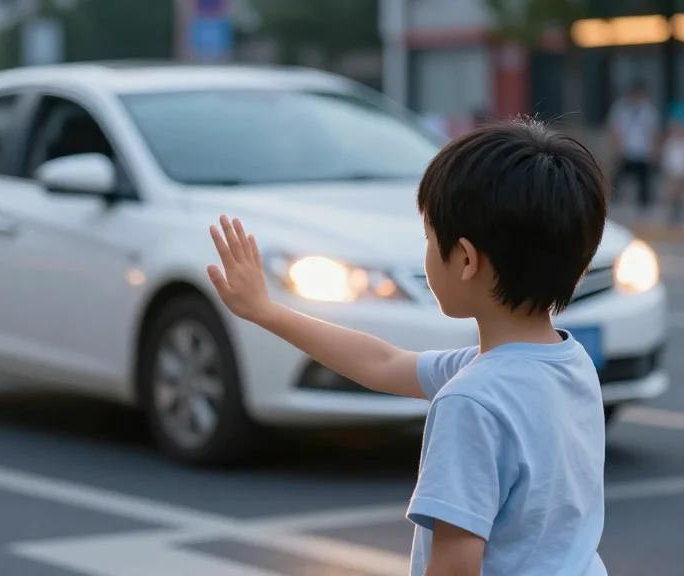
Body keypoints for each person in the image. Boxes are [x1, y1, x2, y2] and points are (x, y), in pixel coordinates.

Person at [206, 120, 608, 575]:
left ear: (465, 260)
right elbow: (383, 363)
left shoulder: (471, 401)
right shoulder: (569, 362)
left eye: (429, 239)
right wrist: (266, 311)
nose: (426, 251)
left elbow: (455, 565)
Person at [608, 79, 660, 210]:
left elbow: (654, 132)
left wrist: (654, 151)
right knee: (618, 178)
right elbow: (615, 130)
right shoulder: (620, 108)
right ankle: (613, 202)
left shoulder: (649, 110)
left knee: (644, 181)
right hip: (625, 150)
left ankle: (645, 207)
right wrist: (616, 148)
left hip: (643, 151)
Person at [662, 102, 684, 224]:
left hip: (681, 173)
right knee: (671, 191)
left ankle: (679, 211)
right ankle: (672, 213)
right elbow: (667, 160)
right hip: (672, 172)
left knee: (680, 192)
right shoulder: (670, 143)